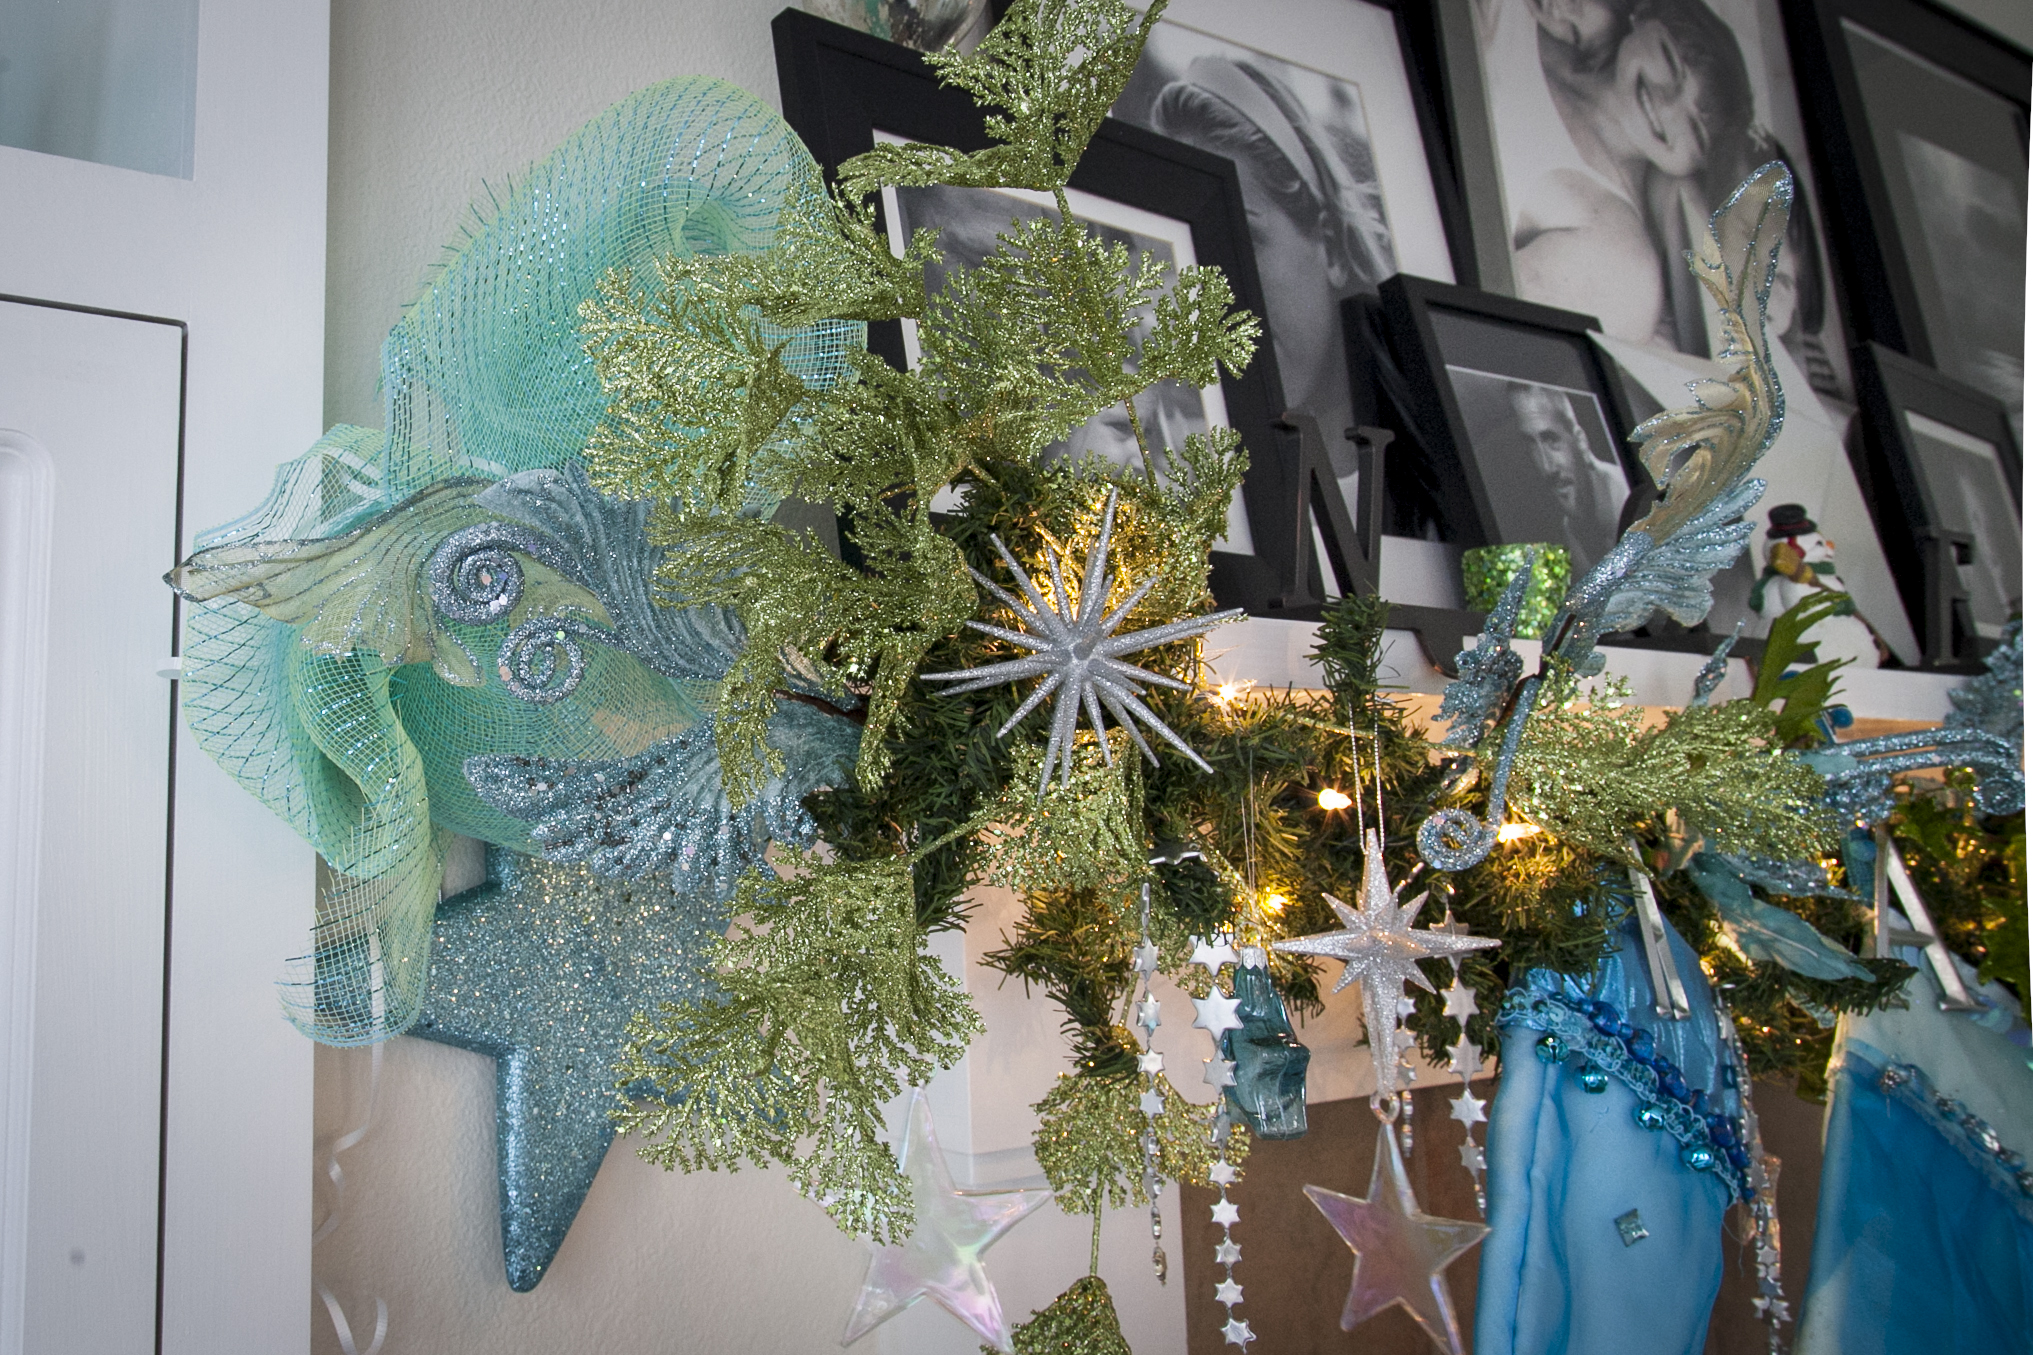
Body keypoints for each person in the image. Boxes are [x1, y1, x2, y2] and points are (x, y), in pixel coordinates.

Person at [1147, 53, 1397, 504]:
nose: (1212, 299)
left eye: (1241, 240)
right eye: (1192, 261)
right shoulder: (1190, 490)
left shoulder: (1450, 451)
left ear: (1331, 246)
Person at [1503, 0, 1753, 354]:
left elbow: (1483, 331)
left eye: (1694, 130)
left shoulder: (1623, 264)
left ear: (1693, 168)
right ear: (1644, 19)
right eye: (1670, 61)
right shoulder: (1556, 13)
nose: (1667, 104)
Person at [1506, 381, 1627, 567]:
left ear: (1581, 442)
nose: (1547, 467)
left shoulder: (1632, 499)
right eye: (1531, 445)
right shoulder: (1571, 530)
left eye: (1551, 440)